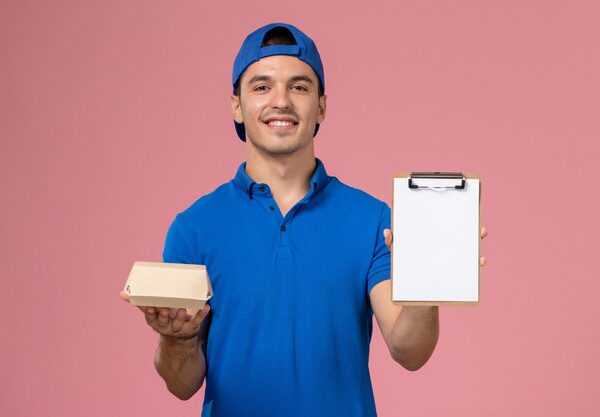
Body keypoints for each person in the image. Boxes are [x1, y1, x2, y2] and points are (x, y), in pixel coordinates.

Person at [120, 23, 487, 417]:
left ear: (322, 106)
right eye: (262, 87)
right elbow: (183, 384)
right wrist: (179, 340)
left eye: (299, 86)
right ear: (237, 106)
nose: (281, 101)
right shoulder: (194, 228)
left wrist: (424, 290)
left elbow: (409, 351)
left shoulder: (371, 219)